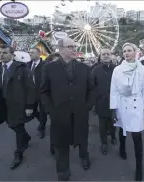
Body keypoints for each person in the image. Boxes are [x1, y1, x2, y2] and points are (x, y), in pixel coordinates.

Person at [40, 38, 94, 181]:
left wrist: (87, 106)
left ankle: (84, 156)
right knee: (60, 143)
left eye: (75, 46)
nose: (74, 49)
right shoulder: (49, 68)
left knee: (82, 138)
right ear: (61, 49)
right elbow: (43, 91)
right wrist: (51, 109)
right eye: (70, 46)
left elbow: (91, 90)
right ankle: (63, 172)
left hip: (80, 112)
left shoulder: (85, 68)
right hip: (59, 113)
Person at [0, 44, 35, 169]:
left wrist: (29, 106)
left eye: (4, 53)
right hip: (3, 104)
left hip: (18, 105)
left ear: (12, 54)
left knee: (17, 126)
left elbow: (30, 89)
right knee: (11, 125)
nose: (1, 55)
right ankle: (26, 137)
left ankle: (18, 153)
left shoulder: (21, 68)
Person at [110, 43, 144, 181]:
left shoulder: (143, 70)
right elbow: (113, 90)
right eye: (124, 51)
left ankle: (139, 167)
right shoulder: (117, 70)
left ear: (135, 52)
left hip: (136, 104)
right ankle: (122, 148)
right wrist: (113, 108)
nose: (126, 53)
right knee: (122, 129)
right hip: (122, 104)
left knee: (137, 135)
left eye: (129, 50)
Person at [91, 46, 116, 156]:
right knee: (102, 124)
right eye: (104, 54)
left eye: (108, 54)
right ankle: (104, 143)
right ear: (100, 57)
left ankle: (114, 136)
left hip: (115, 101)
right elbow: (92, 86)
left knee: (113, 121)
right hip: (101, 101)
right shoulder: (95, 69)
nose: (106, 56)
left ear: (111, 56)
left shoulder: (117, 69)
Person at [27, 48, 48, 139]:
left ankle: (41, 128)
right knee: (32, 110)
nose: (30, 54)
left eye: (32, 52)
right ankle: (42, 120)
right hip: (31, 92)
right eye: (29, 52)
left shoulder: (45, 65)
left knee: (43, 111)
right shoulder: (27, 65)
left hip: (42, 92)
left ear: (38, 54)